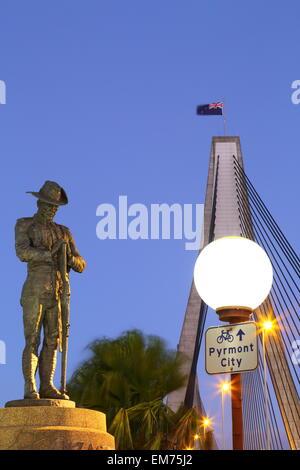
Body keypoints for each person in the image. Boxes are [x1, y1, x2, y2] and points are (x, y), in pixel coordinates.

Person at [15, 181, 86, 399]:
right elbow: (22, 252)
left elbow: (82, 264)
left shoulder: (64, 232)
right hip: (35, 288)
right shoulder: (24, 225)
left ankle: (47, 385)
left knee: (53, 339)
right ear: (38, 203)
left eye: (55, 207)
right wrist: (50, 254)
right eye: (48, 205)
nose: (51, 210)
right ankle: (30, 386)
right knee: (33, 339)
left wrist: (69, 258)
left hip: (59, 290)